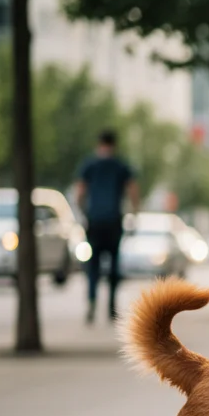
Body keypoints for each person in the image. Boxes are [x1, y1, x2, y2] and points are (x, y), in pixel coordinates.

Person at [75, 129, 139, 323]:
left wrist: (85, 213)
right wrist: (133, 214)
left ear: (99, 143)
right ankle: (111, 307)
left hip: (95, 221)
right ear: (114, 144)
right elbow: (133, 191)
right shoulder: (121, 166)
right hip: (113, 221)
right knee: (113, 265)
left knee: (93, 266)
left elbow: (79, 193)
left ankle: (92, 301)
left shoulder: (89, 165)